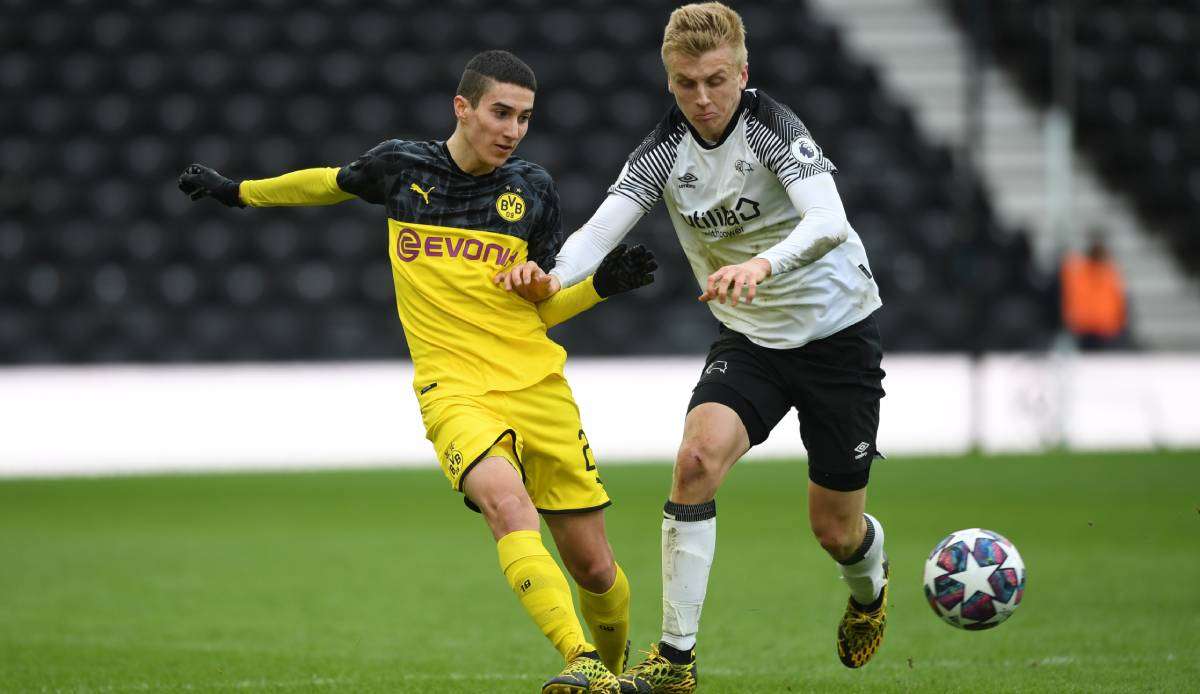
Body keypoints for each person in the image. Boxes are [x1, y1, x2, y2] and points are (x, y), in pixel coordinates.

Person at [178, 50, 659, 694]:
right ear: (463, 108)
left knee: (595, 568)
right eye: (500, 112)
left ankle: (617, 672)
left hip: (537, 386)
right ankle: (580, 659)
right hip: (453, 389)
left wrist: (598, 286)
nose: (513, 129)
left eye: (524, 118)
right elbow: (326, 182)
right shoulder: (404, 168)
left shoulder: (534, 189)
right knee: (506, 504)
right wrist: (239, 192)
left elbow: (541, 304)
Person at [498, 4, 889, 690]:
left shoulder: (774, 130)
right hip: (750, 339)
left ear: (743, 71)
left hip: (837, 337)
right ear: (669, 83)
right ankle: (676, 661)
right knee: (695, 461)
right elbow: (600, 231)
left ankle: (868, 589)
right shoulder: (663, 150)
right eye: (686, 84)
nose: (702, 99)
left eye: (715, 80)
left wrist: (761, 266)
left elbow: (829, 220)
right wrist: (549, 275)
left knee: (835, 530)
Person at [1060, 233, 1128, 350]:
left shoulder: (1110, 271)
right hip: (1084, 328)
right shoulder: (1077, 270)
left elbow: (1118, 299)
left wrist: (1119, 322)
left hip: (1105, 328)